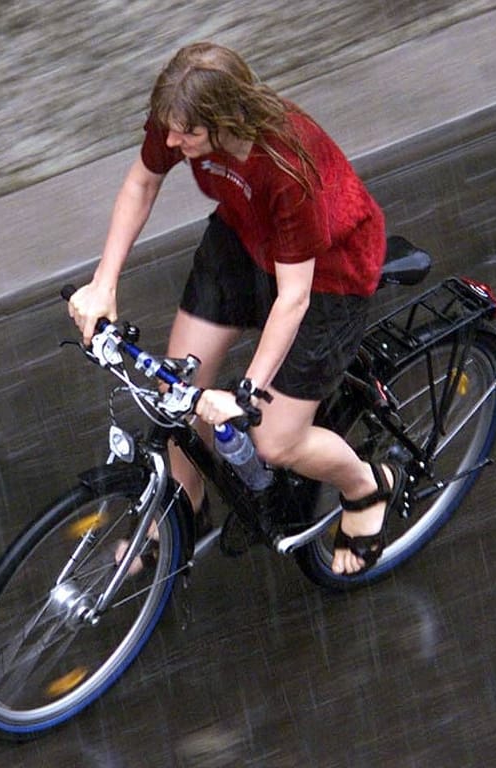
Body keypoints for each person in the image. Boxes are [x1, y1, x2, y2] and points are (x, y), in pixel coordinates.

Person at [67, 42, 404, 576]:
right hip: (246, 238)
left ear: (226, 119)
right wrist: (104, 282)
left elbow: (294, 298)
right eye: (169, 129)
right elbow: (142, 181)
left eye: (187, 135)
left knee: (272, 440)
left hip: (327, 277)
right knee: (177, 391)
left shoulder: (286, 165)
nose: (172, 143)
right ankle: (186, 505)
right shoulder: (180, 115)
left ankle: (367, 487)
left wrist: (245, 394)